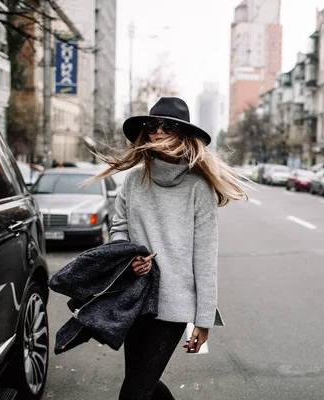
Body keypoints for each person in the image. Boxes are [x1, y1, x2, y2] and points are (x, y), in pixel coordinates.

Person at [89, 97, 247, 400]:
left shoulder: (198, 187)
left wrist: (203, 320)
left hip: (173, 308)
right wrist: (129, 258)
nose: (158, 131)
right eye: (152, 125)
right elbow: (118, 229)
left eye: (168, 125)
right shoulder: (133, 181)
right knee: (142, 384)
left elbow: (205, 257)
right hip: (135, 299)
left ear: (183, 134)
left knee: (134, 392)